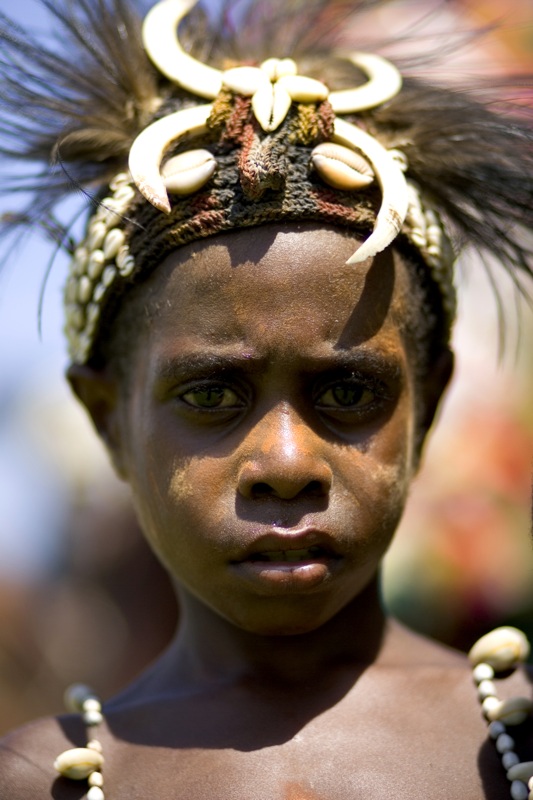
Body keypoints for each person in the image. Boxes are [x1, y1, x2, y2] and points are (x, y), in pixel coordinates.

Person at [0, 0, 532, 797]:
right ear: (108, 420)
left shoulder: (513, 738)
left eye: (349, 390)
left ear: (429, 402)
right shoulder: (46, 779)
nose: (285, 463)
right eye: (212, 394)